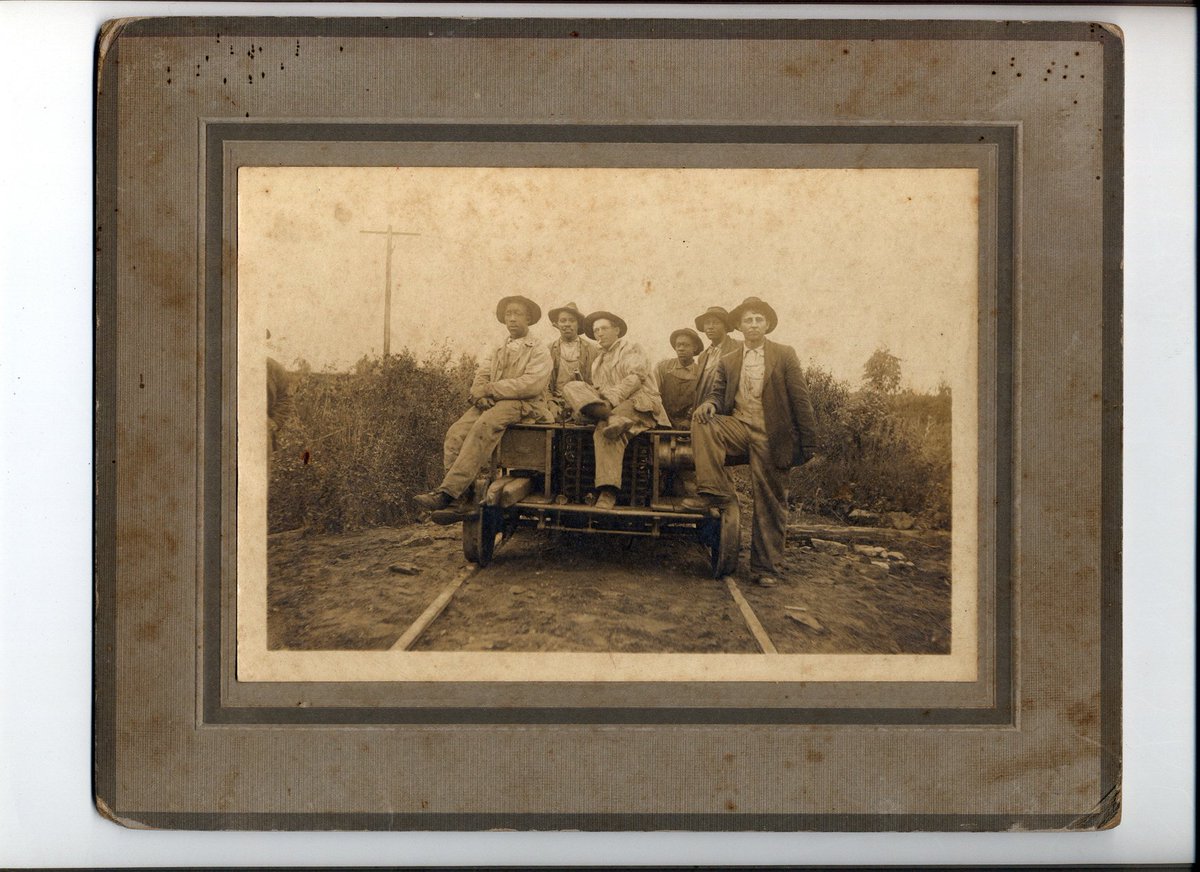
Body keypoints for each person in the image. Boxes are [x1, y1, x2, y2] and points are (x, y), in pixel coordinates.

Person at [684, 296, 818, 587]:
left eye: (759, 319)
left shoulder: (784, 354)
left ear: (767, 324)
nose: (754, 325)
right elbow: (718, 396)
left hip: (773, 435)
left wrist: (807, 444)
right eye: (748, 320)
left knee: (769, 502)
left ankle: (766, 568)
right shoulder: (729, 360)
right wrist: (708, 404)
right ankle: (715, 491)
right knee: (702, 421)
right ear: (739, 325)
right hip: (740, 427)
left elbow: (800, 398)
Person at [414, 295, 552, 511]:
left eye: (518, 314)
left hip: (525, 404)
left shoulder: (539, 349)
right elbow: (483, 374)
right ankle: (463, 495)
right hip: (494, 402)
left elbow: (530, 385)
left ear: (529, 318)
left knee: (483, 427)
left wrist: (490, 390)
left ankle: (448, 493)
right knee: (456, 432)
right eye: (508, 314)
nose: (512, 319)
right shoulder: (498, 347)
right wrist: (479, 395)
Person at [560, 310, 669, 510]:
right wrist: (589, 402)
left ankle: (608, 491)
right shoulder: (597, 361)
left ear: (617, 330)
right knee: (571, 386)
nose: (599, 333)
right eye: (595, 330)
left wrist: (608, 401)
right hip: (613, 407)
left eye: (604, 328)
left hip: (639, 403)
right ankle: (611, 418)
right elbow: (600, 390)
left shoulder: (631, 348)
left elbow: (635, 379)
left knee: (605, 430)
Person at [545, 301, 599, 421]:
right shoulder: (547, 350)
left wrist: (581, 406)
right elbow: (544, 385)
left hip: (583, 403)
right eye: (563, 320)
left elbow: (595, 384)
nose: (567, 324)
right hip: (556, 404)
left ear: (578, 324)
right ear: (557, 324)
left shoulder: (592, 350)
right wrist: (550, 404)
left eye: (572, 320)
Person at [692, 305, 743, 408]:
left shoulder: (739, 347)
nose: (710, 327)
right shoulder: (703, 355)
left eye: (715, 322)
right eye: (707, 323)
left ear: (725, 326)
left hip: (728, 408)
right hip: (705, 408)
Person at [653, 328, 704, 429]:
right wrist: (662, 419)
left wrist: (689, 420)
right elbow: (653, 394)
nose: (681, 348)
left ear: (695, 347)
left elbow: (702, 401)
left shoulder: (702, 372)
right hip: (662, 421)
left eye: (686, 345)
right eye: (678, 345)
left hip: (691, 424)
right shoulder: (662, 368)